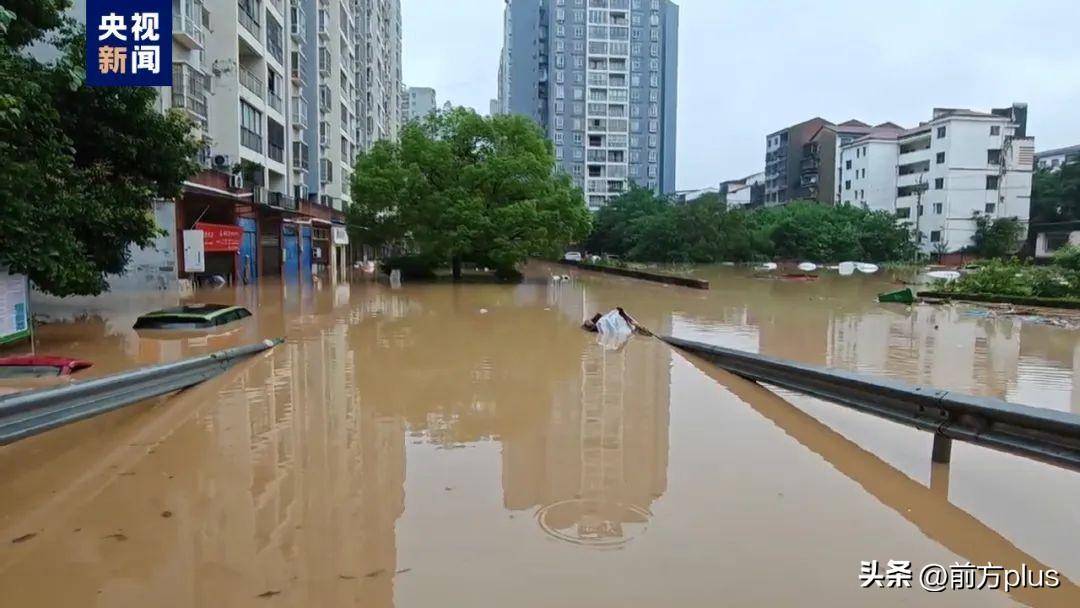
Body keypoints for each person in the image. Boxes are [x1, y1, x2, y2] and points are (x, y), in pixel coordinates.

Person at [581, 307, 652, 336]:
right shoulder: (632, 327)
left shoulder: (631, 330)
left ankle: (591, 324)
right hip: (612, 322)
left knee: (598, 322)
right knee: (599, 319)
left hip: (610, 324)